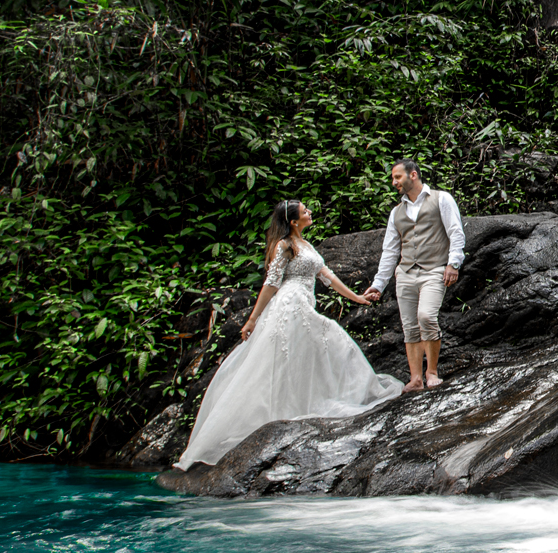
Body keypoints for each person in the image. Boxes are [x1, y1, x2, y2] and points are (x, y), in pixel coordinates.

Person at [174, 200, 399, 469]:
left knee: (310, 354)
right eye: (305, 211)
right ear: (293, 221)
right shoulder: (284, 246)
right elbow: (271, 283)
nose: (310, 212)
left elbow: (327, 276)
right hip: (290, 305)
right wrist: (252, 319)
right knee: (301, 353)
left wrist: (357, 298)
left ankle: (305, 405)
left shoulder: (306, 245)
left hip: (303, 303)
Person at [362, 158, 464, 392]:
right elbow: (390, 251)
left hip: (435, 269)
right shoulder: (396, 212)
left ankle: (432, 372)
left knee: (426, 316)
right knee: (409, 326)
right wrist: (378, 284)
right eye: (393, 178)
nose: (394, 182)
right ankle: (416, 378)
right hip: (406, 273)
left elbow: (455, 232)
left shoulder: (441, 198)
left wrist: (453, 263)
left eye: (397, 177)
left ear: (413, 175)